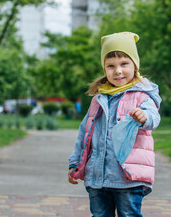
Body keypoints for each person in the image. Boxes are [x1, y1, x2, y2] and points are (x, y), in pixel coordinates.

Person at [68, 32, 161, 217]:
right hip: (97, 177)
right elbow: (84, 133)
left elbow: (153, 117)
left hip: (127, 176)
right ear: (104, 69)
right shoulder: (98, 98)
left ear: (135, 65)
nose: (117, 71)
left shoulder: (142, 95)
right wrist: (75, 163)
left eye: (124, 64)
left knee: (129, 214)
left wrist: (144, 117)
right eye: (111, 66)